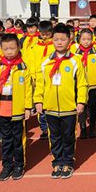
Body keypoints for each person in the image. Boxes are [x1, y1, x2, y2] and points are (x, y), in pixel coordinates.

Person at [34, 23, 87, 179]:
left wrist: (81, 101)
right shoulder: (45, 62)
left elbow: (82, 83)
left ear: (69, 40)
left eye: (62, 39)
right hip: (50, 108)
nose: (59, 42)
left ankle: (68, 162)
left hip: (69, 107)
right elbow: (40, 83)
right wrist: (38, 100)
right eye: (56, 39)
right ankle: (57, 161)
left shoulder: (75, 61)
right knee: (54, 137)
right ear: (52, 40)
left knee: (69, 136)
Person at [0, 33, 33, 181]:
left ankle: (19, 165)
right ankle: (7, 165)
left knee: (17, 139)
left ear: (19, 48)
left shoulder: (23, 68)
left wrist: (27, 107)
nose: (10, 52)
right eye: (6, 49)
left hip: (17, 108)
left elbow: (28, 89)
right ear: (1, 49)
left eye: (12, 48)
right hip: (2, 108)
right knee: (6, 140)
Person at [73, 29, 96, 139]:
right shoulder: (75, 54)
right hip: (81, 86)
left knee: (92, 107)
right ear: (79, 39)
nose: (86, 42)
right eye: (84, 39)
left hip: (93, 85)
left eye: (89, 39)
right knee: (81, 107)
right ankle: (83, 128)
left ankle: (92, 128)